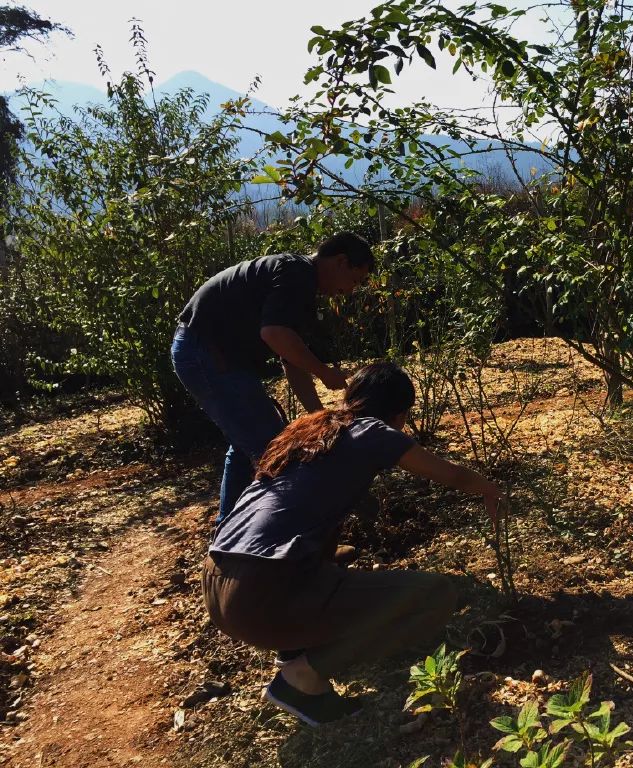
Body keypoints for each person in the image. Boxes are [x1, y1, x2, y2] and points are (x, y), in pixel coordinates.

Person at [201, 361, 501, 727]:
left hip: (217, 582)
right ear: (400, 412)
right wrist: (489, 489)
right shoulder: (374, 432)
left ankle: (292, 646)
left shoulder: (308, 431)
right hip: (260, 596)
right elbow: (449, 474)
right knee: (436, 593)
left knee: (337, 557)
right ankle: (300, 678)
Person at [171, 232, 373, 523]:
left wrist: (320, 417)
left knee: (248, 445)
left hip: (208, 352)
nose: (350, 291)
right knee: (275, 447)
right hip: (206, 352)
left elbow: (291, 360)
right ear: (341, 261)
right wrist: (324, 372)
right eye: (355, 280)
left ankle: (228, 538)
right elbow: (274, 334)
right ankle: (285, 538)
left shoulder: (299, 281)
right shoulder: (297, 274)